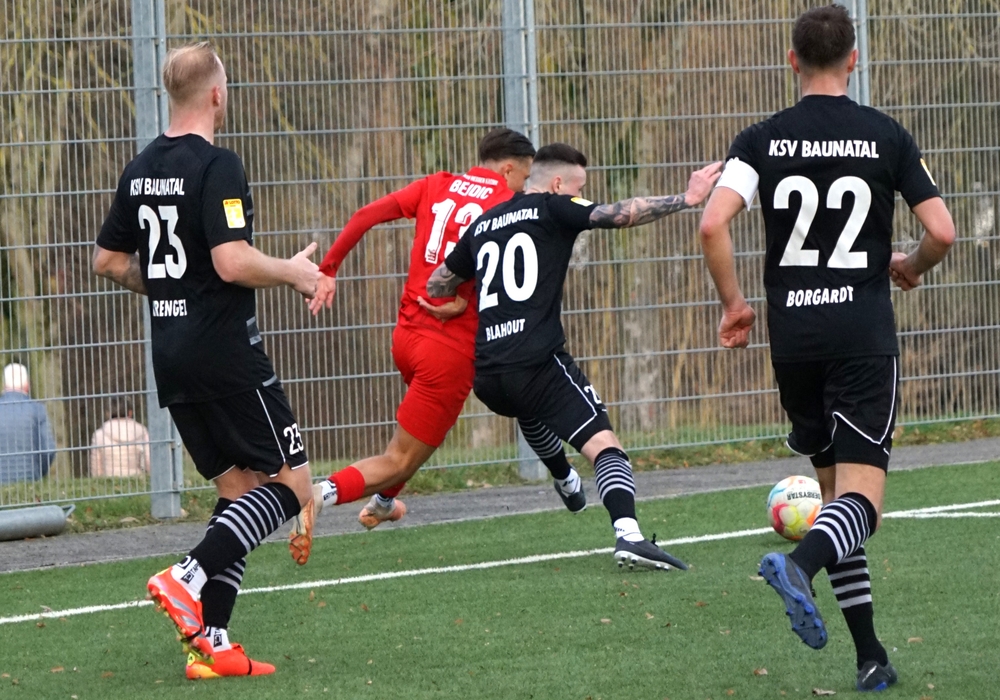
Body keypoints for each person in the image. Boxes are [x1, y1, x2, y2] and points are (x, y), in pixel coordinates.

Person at [698, 5, 955, 692]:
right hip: (860, 337)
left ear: (792, 61)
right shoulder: (885, 135)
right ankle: (800, 564)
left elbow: (713, 223)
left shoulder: (761, 139)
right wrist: (911, 266)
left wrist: (735, 305)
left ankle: (870, 656)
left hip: (795, 341)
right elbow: (942, 231)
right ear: (854, 60)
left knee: (836, 495)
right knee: (862, 504)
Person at [92, 42, 321, 679]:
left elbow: (107, 261)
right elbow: (231, 260)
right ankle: (186, 577)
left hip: (171, 354)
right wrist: (294, 272)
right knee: (293, 485)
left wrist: (171, 290)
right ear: (217, 95)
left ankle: (211, 645)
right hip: (226, 354)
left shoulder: (140, 168)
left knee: (237, 491)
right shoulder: (219, 164)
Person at [289, 129, 585, 564]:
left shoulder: (436, 185)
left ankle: (384, 503)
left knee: (415, 442)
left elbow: (366, 215)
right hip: (447, 351)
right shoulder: (506, 203)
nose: (526, 185)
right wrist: (467, 301)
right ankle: (317, 495)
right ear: (508, 169)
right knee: (400, 458)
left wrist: (329, 269)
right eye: (525, 177)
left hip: (407, 337)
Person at [428, 143, 721, 571]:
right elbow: (619, 214)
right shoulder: (552, 206)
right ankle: (629, 535)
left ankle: (564, 478)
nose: (580, 195)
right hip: (536, 362)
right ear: (557, 183)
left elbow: (438, 282)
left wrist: (458, 300)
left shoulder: (485, 221)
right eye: (578, 188)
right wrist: (688, 198)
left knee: (529, 407)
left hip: (488, 375)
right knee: (605, 446)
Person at [0, 363, 56, 484]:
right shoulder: (37, 409)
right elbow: (48, 449)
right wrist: (39, 473)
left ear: (4, 385)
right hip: (29, 480)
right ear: (27, 385)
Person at [88, 397, 150, 478]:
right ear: (130, 412)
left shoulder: (99, 434)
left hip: (109, 481)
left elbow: (96, 466)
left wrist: (100, 481)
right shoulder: (142, 431)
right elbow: (148, 460)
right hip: (136, 481)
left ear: (108, 413)